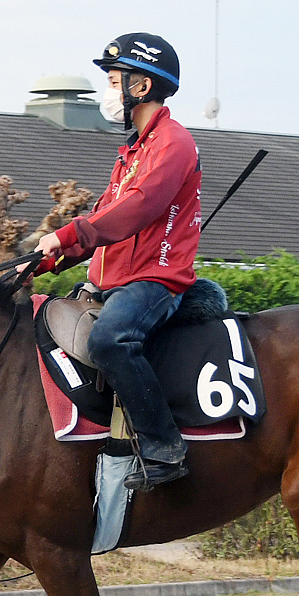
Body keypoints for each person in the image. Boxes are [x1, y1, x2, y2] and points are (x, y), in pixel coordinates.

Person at [31, 33, 201, 491]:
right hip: (111, 282)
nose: (108, 91)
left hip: (153, 282)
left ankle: (164, 448)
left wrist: (68, 234)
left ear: (141, 87)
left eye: (112, 80)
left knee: (110, 341)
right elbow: (101, 219)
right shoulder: (131, 152)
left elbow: (137, 209)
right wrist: (48, 260)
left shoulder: (174, 143)